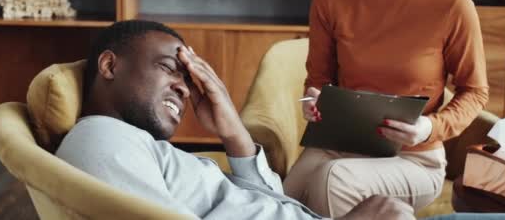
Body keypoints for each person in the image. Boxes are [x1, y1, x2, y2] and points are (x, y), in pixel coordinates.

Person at [55, 20, 416, 220]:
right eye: (168, 68)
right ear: (109, 65)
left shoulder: (139, 147)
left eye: (188, 79)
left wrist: (232, 132)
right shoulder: (101, 138)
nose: (183, 89)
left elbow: (273, 204)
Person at [283, 0, 489, 218]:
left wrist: (430, 127)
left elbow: (475, 92)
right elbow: (317, 80)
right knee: (276, 199)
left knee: (333, 181)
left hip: (416, 159)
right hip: (341, 147)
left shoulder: (451, 3)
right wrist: (312, 100)